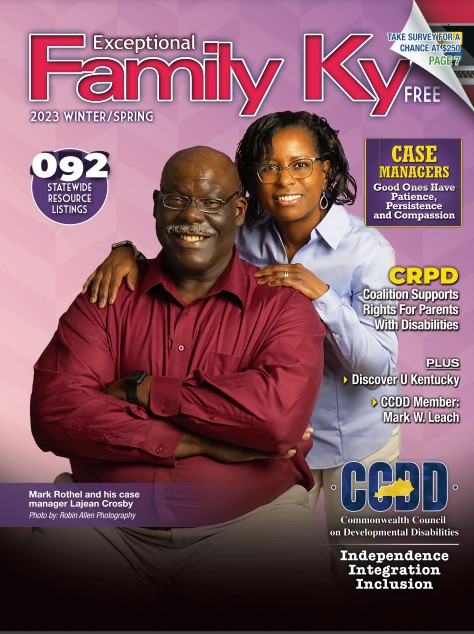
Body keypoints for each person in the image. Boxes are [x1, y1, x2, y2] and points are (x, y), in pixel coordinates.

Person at [20, 146, 330, 630]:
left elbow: (275, 420)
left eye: (210, 202)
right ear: (155, 205)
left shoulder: (282, 307)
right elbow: (56, 413)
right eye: (176, 199)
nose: (191, 214)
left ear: (239, 210)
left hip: (252, 523)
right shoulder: (107, 294)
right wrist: (205, 440)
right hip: (101, 521)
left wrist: (143, 390)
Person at [84, 111, 402, 552]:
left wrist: (322, 296)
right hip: (271, 447)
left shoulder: (369, 251)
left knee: (362, 573)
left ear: (325, 170)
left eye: (300, 165)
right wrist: (125, 251)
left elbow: (380, 365)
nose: (284, 180)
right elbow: (184, 235)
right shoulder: (244, 233)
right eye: (269, 167)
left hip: (358, 440)